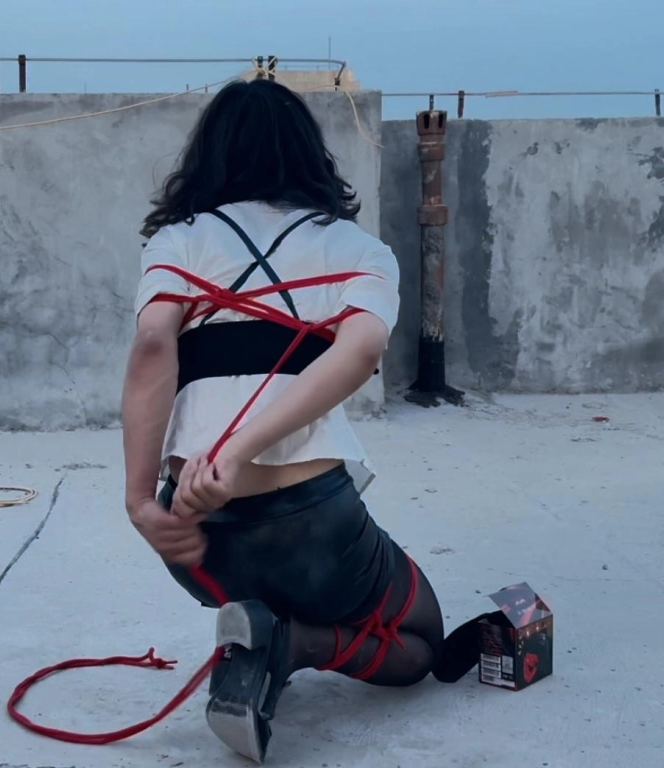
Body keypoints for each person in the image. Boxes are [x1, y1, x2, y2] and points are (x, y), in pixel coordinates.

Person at [121, 79, 472, 764]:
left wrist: (141, 504)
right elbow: (361, 351)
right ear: (310, 156)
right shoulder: (355, 249)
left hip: (196, 541)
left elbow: (154, 344)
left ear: (209, 155)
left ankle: (259, 636)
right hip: (312, 527)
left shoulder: (177, 242)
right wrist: (238, 454)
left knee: (264, 583)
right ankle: (294, 643)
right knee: (421, 641)